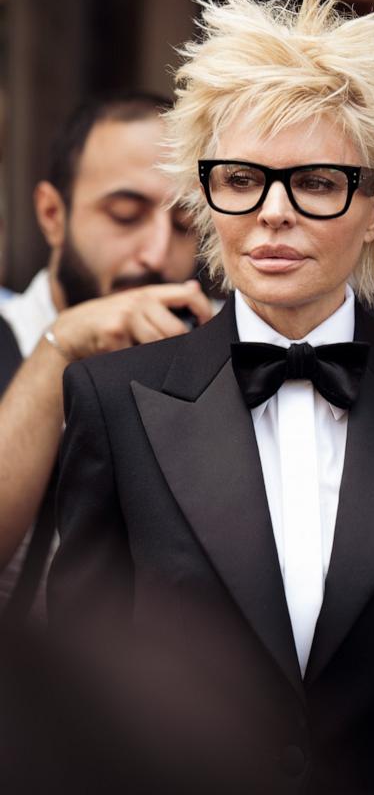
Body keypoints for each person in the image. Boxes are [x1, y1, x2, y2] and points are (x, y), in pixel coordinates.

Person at [48, 0, 374, 794]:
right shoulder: (114, 401)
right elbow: (73, 714)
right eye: (241, 179)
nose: (273, 213)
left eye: (316, 182)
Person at [0, 93, 214, 617]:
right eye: (125, 214)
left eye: (185, 224)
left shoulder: (216, 335)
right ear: (52, 214)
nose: (157, 253)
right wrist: (61, 347)